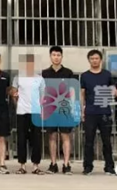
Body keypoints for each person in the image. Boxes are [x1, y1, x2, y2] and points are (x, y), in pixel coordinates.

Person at [80, 49, 116, 176]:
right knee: (89, 141)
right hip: (90, 112)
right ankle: (88, 166)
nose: (94, 60)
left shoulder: (107, 74)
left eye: (96, 58)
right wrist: (82, 111)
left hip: (105, 112)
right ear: (89, 60)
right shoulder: (85, 76)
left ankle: (109, 167)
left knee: (107, 141)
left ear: (100, 60)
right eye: (92, 58)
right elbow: (82, 94)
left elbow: (113, 90)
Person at [41, 45, 75, 175]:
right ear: (50, 56)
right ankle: (53, 164)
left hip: (64, 109)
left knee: (65, 136)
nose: (56, 57)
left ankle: (66, 164)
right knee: (52, 136)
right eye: (54, 55)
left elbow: (72, 91)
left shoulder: (68, 73)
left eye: (58, 55)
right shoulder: (45, 73)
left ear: (62, 56)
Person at [11, 54, 45, 175]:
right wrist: (17, 103)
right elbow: (14, 94)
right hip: (22, 112)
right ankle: (22, 165)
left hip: (36, 112)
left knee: (36, 139)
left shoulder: (40, 79)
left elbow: (43, 96)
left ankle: (36, 166)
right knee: (21, 138)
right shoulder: (18, 78)